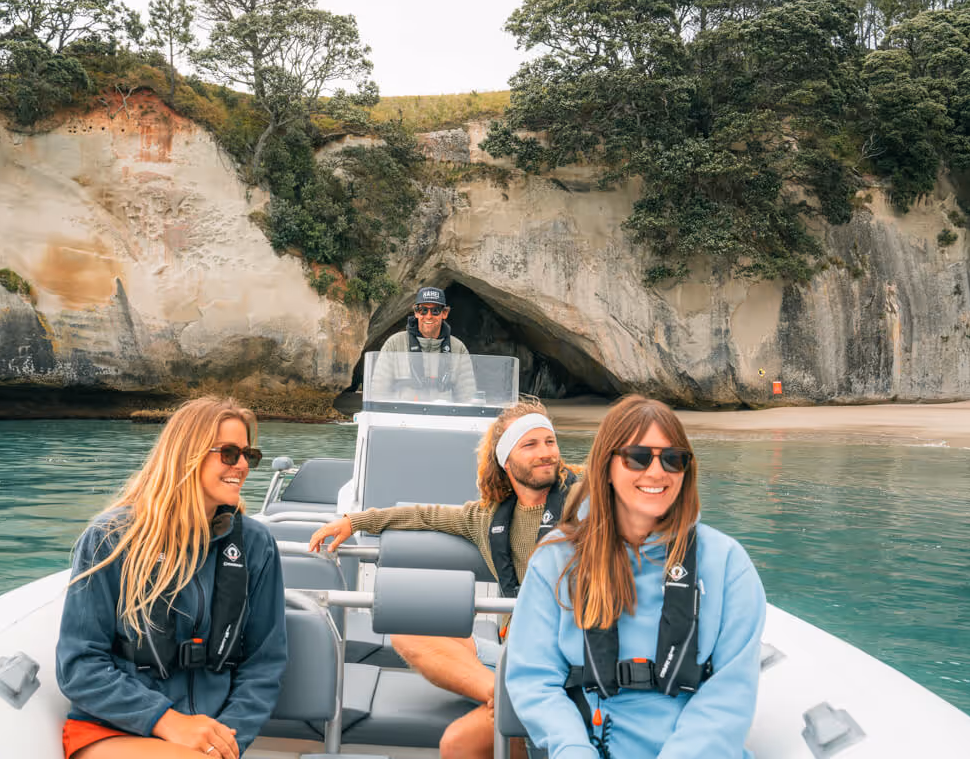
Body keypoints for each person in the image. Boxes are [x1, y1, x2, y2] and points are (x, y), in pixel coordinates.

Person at [308, 399, 578, 759]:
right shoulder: (487, 518)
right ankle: (502, 695)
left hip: (575, 661)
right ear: (505, 460)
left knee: (457, 744)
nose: (546, 453)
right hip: (516, 658)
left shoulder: (588, 502)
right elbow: (426, 515)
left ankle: (516, 698)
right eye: (530, 444)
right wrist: (355, 521)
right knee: (408, 628)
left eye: (550, 441)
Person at [505, 395, 766, 759]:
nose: (657, 472)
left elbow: (730, 692)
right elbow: (534, 679)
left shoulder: (727, 564)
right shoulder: (556, 559)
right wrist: (573, 749)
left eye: (673, 459)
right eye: (638, 457)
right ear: (606, 465)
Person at [56, 397, 288, 759]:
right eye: (229, 453)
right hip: (113, 730)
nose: (242, 465)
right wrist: (167, 721)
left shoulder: (256, 546)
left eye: (248, 455)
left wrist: (226, 741)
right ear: (187, 455)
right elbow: (79, 665)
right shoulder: (111, 538)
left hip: (209, 736)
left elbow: (263, 664)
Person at [369, 286, 477, 402]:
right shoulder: (394, 344)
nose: (428, 316)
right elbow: (378, 393)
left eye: (435, 310)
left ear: (445, 313)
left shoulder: (458, 348)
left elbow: (467, 397)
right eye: (423, 310)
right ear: (416, 312)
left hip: (443, 413)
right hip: (403, 413)